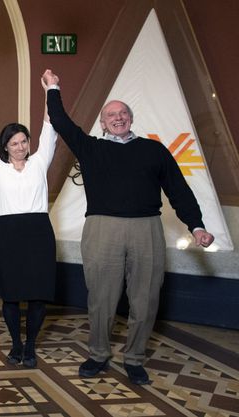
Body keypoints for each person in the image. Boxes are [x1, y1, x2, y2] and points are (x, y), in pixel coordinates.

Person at [43, 69, 215, 384]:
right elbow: (60, 120)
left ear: (131, 119)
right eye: (111, 115)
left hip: (146, 228)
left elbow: (179, 190)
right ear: (103, 123)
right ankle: (97, 354)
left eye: (123, 113)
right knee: (101, 297)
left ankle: (134, 358)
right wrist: (53, 87)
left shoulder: (154, 150)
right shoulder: (91, 147)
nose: (118, 118)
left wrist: (196, 226)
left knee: (146, 297)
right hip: (101, 229)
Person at [0, 80, 57, 369]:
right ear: (5, 146)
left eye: (24, 140)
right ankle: (15, 344)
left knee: (38, 294)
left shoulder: (40, 162)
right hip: (9, 234)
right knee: (10, 295)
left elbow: (49, 125)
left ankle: (31, 346)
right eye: (14, 142)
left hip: (39, 232)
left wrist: (50, 89)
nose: (21, 146)